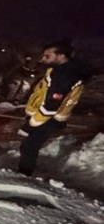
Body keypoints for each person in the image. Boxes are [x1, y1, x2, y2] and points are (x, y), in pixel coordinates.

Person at [17, 40, 87, 176]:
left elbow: (51, 106)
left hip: (49, 118)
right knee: (28, 145)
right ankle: (23, 173)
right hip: (44, 116)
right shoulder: (60, 70)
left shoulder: (65, 75)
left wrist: (30, 125)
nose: (43, 59)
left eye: (47, 56)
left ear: (61, 56)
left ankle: (23, 176)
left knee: (29, 146)